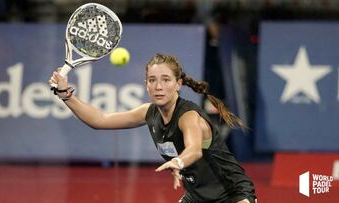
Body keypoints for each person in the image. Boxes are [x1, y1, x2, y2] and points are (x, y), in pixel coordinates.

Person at [48, 53, 257, 203]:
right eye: (152, 80)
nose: (158, 86)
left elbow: (194, 149)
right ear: (146, 84)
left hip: (233, 194)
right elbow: (99, 120)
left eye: (166, 80)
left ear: (178, 84)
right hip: (198, 196)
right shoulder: (148, 113)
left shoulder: (189, 116)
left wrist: (178, 161)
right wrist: (66, 94)